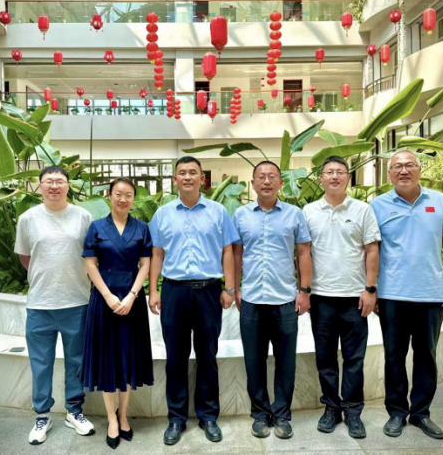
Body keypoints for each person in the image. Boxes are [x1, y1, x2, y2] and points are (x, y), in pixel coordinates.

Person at [370, 150, 443, 440]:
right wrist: (371, 288)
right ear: (389, 174)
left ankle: (421, 413)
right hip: (392, 295)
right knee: (394, 356)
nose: (404, 171)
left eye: (409, 165)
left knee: (426, 356)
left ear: (419, 169)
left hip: (430, 294)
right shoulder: (377, 205)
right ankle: (397, 412)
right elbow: (371, 250)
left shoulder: (439, 201)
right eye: (397, 166)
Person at [149, 157, 239, 446]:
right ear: (174, 179)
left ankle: (208, 416)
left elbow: (227, 251)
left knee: (207, 355)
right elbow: (156, 254)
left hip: (209, 292)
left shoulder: (218, 212)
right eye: (182, 173)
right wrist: (154, 290)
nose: (187, 177)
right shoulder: (162, 214)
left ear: (203, 179)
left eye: (193, 173)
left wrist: (229, 288)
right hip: (174, 291)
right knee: (175, 357)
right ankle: (176, 418)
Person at [15, 166, 96, 446]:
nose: (54, 186)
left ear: (67, 186)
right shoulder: (28, 218)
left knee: (77, 361)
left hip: (77, 302)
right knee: (41, 363)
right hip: (40, 304)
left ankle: (74, 411)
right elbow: (26, 256)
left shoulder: (83, 216)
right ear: (39, 186)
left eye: (59, 181)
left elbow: (91, 255)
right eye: (48, 181)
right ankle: (42, 415)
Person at [233, 161, 312, 440]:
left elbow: (304, 252)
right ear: (253, 182)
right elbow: (236, 254)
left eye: (272, 177)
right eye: (261, 177)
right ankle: (259, 414)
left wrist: (304, 290)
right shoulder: (240, 215)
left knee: (285, 362)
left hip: (285, 300)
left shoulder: (294, 214)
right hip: (252, 299)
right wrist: (234, 288)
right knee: (253, 361)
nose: (266, 181)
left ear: (280, 182)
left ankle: (281, 414)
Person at [303, 157, 381, 440]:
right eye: (329, 172)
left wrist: (370, 289)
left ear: (348, 177)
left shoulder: (363, 210)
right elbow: (303, 253)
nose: (335, 176)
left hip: (354, 298)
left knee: (354, 359)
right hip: (322, 298)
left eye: (340, 172)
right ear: (321, 178)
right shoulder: (309, 211)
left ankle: (353, 411)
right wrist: (305, 290)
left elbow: (372, 250)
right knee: (325, 359)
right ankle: (331, 408)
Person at [81, 178, 154, 450]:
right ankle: (111, 419)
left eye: (129, 195)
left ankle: (124, 415)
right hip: (104, 301)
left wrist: (132, 296)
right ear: (109, 196)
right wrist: (108, 296)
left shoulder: (142, 228)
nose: (123, 199)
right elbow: (90, 264)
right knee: (107, 358)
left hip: (132, 300)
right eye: (118, 194)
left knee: (127, 358)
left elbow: (145, 264)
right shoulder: (97, 227)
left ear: (134, 198)